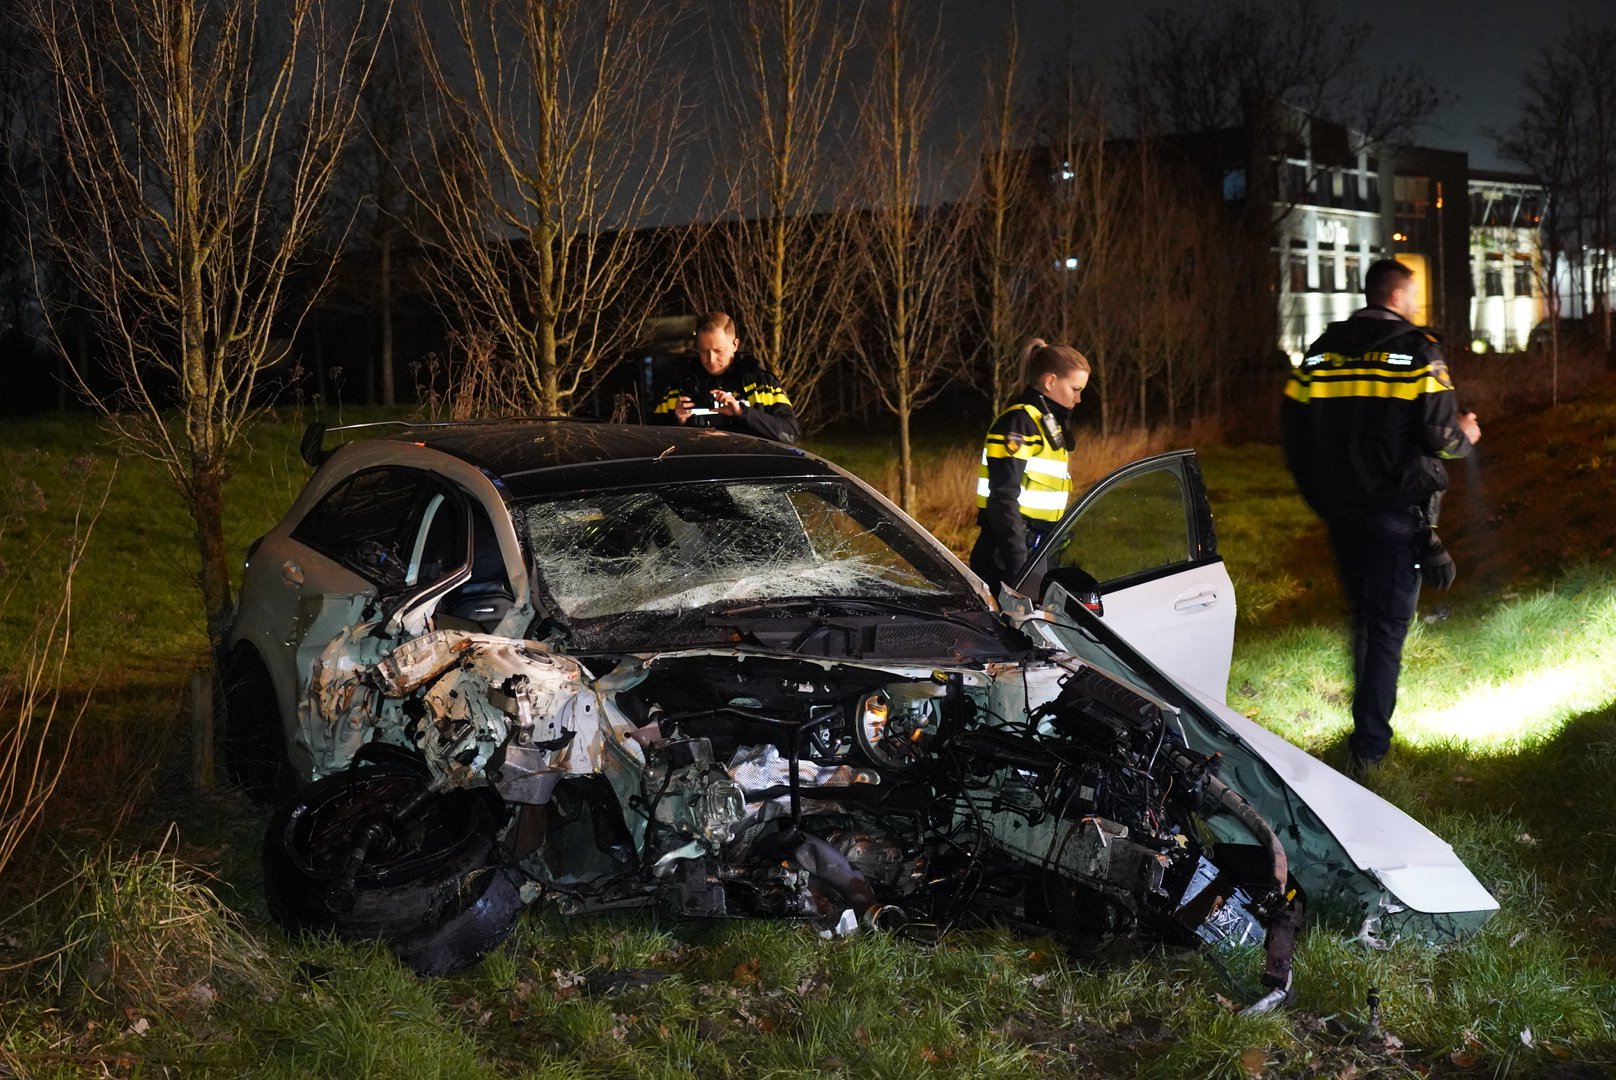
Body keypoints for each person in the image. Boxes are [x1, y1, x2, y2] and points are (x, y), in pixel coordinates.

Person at [1281, 258, 1481, 776]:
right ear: (1396, 296)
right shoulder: (1419, 351)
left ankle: (1365, 735)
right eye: (1412, 296)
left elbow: (1294, 431)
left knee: (1364, 622)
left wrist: (1321, 495)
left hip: (1342, 513)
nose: (1415, 305)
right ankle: (1370, 748)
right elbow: (1441, 438)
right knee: (1388, 627)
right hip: (1398, 513)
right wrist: (1467, 434)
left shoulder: (1321, 352)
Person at [968, 338, 1090, 596]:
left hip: (1036, 551)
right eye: (1075, 389)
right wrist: (1019, 567)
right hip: (1009, 555)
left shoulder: (1046, 423)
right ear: (1050, 381)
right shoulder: (1019, 424)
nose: (1079, 399)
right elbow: (1003, 500)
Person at [651, 312, 799, 443]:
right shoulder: (682, 385)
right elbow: (650, 436)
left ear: (735, 345)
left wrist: (742, 412)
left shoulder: (761, 384)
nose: (711, 359)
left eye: (718, 351)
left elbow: (789, 434)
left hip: (749, 470)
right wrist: (677, 419)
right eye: (704, 351)